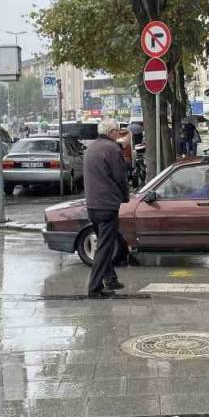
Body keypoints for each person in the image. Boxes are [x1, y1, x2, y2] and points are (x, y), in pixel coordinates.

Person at [83, 119, 130, 298]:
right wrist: (125, 197)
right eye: (117, 131)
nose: (118, 134)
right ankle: (94, 288)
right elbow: (120, 176)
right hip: (107, 205)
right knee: (104, 248)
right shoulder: (112, 149)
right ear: (111, 132)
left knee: (104, 242)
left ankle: (110, 279)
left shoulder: (91, 148)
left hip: (92, 205)